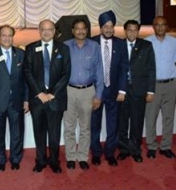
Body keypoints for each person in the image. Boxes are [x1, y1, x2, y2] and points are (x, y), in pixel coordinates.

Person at [23, 20, 71, 173]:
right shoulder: (30, 48)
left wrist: (52, 94)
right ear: (39, 30)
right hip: (37, 100)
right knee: (39, 132)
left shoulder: (63, 49)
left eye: (49, 29)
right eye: (43, 29)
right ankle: (41, 161)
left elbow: (66, 74)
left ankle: (54, 161)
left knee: (54, 134)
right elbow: (27, 72)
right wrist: (39, 93)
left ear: (54, 31)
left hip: (55, 100)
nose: (46, 32)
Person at [0, 24, 28, 172]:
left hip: (17, 101)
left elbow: (26, 80)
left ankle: (15, 159)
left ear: (13, 37)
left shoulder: (21, 54)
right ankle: (0, 161)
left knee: (17, 133)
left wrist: (26, 99)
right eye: (4, 35)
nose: (7, 38)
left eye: (10, 35)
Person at [63, 18, 104, 171]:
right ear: (73, 31)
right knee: (69, 127)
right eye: (77, 29)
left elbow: (100, 72)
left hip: (88, 91)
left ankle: (82, 156)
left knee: (86, 128)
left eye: (83, 28)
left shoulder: (94, 47)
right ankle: (71, 156)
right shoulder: (65, 46)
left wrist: (98, 95)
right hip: (69, 91)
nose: (80, 31)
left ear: (87, 30)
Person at [89, 10, 129, 167]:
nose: (108, 29)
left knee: (113, 123)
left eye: (111, 26)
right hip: (96, 91)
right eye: (105, 26)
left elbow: (124, 67)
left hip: (114, 92)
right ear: (100, 27)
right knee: (95, 123)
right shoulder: (92, 43)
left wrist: (122, 90)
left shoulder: (120, 44)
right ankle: (97, 152)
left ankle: (110, 152)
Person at [116, 20, 156, 163]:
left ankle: (135, 150)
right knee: (122, 122)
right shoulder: (118, 45)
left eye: (135, 30)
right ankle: (123, 149)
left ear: (138, 31)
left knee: (137, 122)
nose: (132, 33)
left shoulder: (146, 46)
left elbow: (151, 69)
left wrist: (151, 91)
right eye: (129, 30)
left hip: (139, 90)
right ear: (125, 31)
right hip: (121, 91)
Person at [144, 16, 176, 159]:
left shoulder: (174, 42)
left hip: (171, 84)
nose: (160, 27)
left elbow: (175, 61)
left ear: (167, 26)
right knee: (151, 117)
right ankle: (151, 145)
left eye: (163, 25)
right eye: (157, 25)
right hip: (153, 85)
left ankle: (166, 146)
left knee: (168, 117)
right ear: (153, 26)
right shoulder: (147, 42)